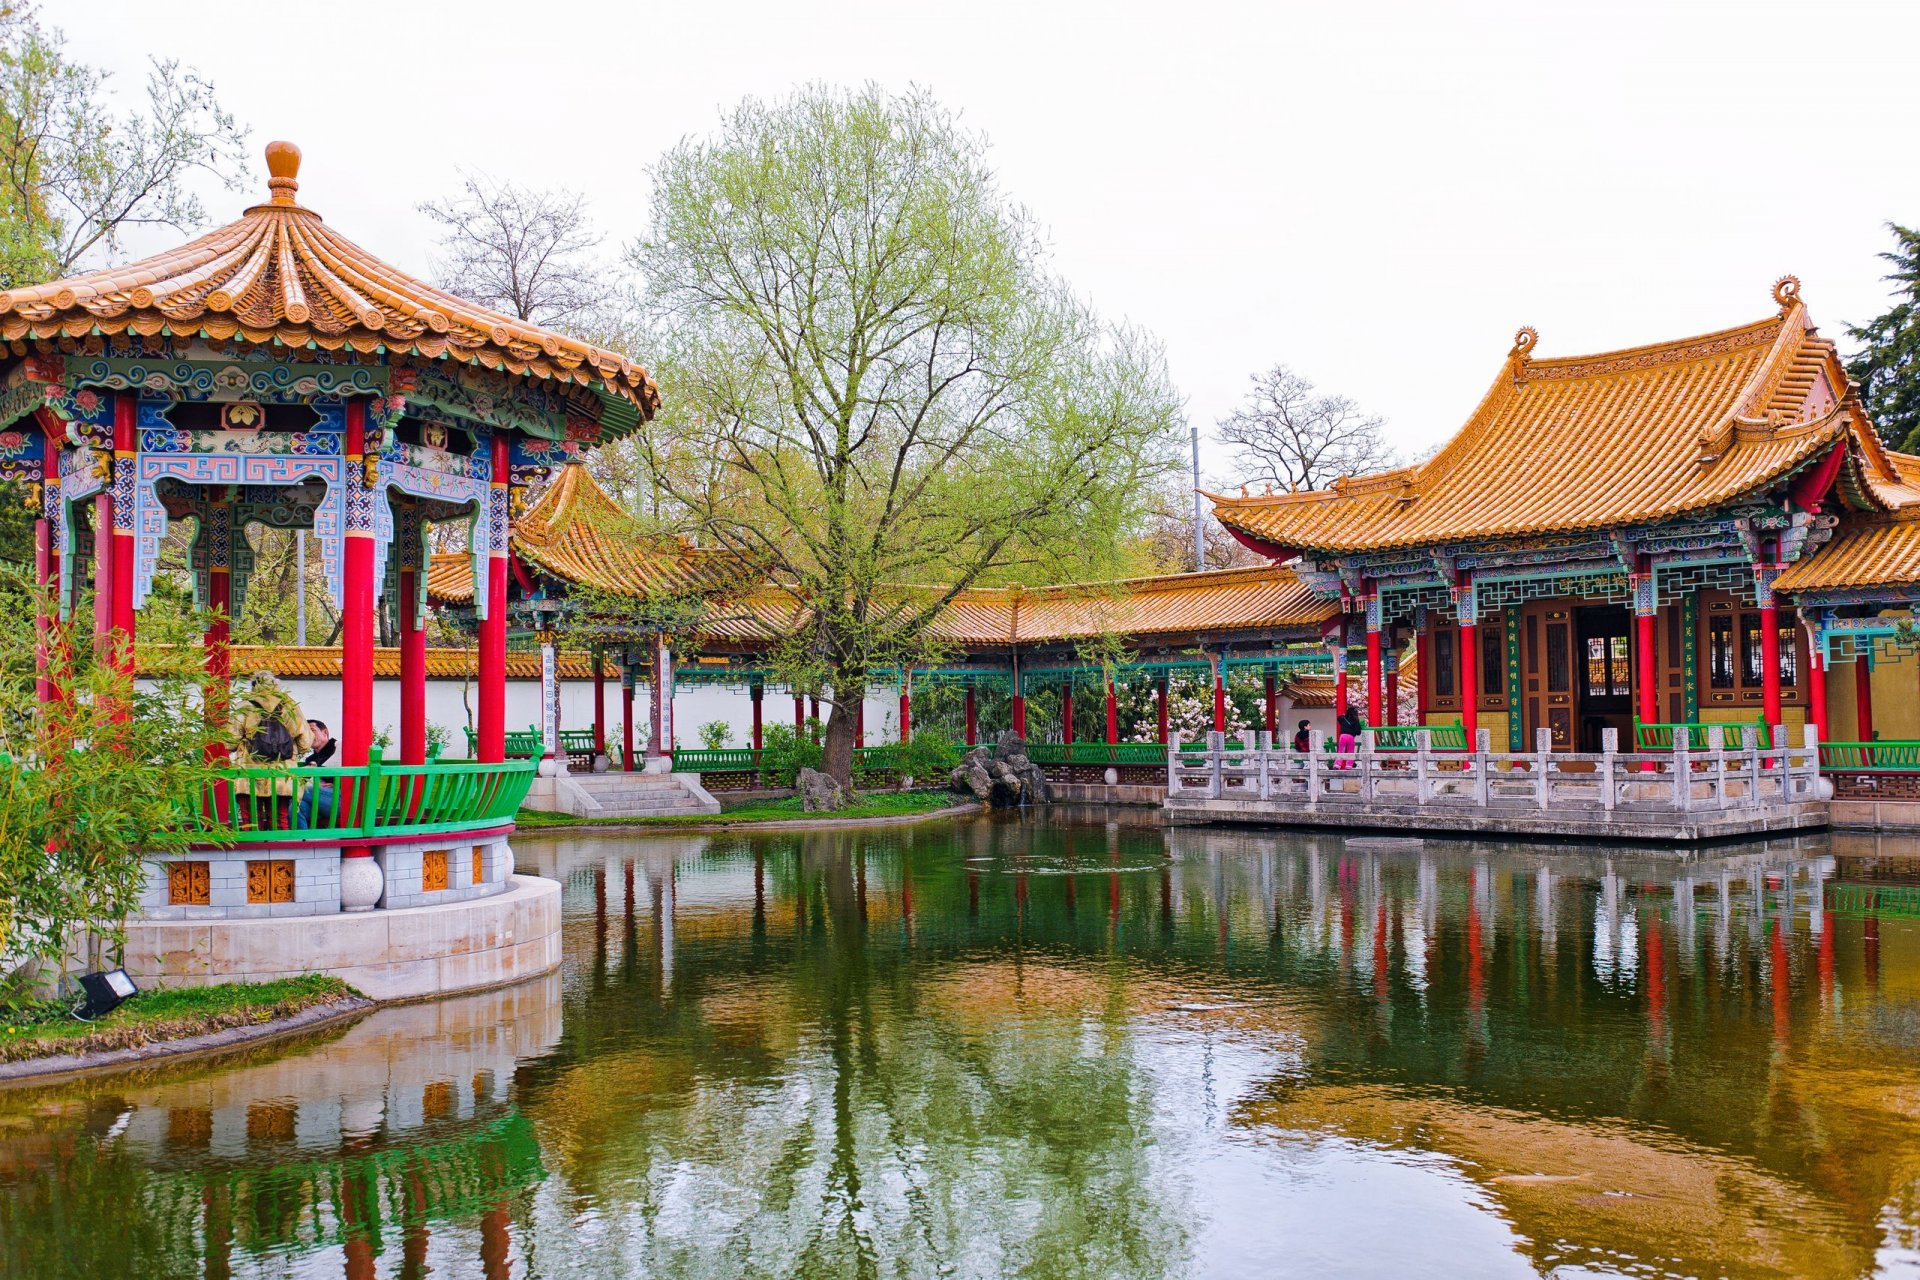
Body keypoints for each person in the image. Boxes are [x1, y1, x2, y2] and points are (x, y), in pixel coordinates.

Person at [232, 671, 314, 827]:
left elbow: (229, 742)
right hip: (282, 775)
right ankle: (279, 841)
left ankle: (254, 841)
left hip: (250, 775)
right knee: (279, 819)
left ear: (253, 686)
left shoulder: (244, 706)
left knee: (251, 821)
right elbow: (305, 742)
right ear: (276, 685)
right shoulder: (290, 706)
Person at [300, 719, 336, 828]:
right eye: (306, 732)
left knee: (298, 790)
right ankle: (301, 838)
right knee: (295, 806)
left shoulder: (338, 748)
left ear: (325, 732)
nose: (309, 735)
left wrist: (337, 784)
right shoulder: (310, 759)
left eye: (312, 730)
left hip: (341, 799)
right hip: (317, 800)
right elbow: (304, 782)